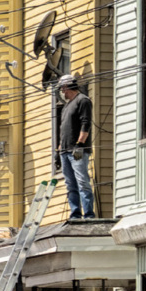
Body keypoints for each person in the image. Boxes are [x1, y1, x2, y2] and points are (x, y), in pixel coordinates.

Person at [55, 74, 96, 220]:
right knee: (70, 184)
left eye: (62, 89)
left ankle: (89, 214)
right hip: (65, 151)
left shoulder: (82, 100)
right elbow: (64, 130)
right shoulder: (66, 106)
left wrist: (80, 143)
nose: (62, 92)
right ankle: (75, 214)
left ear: (67, 86)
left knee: (82, 181)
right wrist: (59, 150)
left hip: (77, 150)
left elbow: (86, 123)